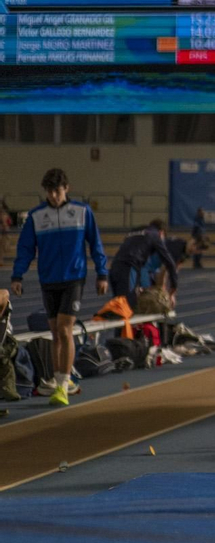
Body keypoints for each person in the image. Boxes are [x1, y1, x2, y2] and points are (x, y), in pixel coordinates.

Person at [9, 168, 107, 407]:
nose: (53, 196)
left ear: (67, 188)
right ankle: (60, 378)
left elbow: (95, 243)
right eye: (49, 192)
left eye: (57, 191)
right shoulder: (36, 216)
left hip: (74, 278)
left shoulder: (82, 212)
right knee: (55, 333)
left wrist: (102, 273)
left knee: (64, 330)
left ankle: (63, 384)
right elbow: (25, 248)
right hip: (49, 280)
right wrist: (17, 275)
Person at [107, 220, 178, 311]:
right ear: (161, 233)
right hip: (129, 267)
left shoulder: (135, 232)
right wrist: (173, 289)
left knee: (118, 303)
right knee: (127, 305)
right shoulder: (155, 235)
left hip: (115, 266)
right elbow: (169, 262)